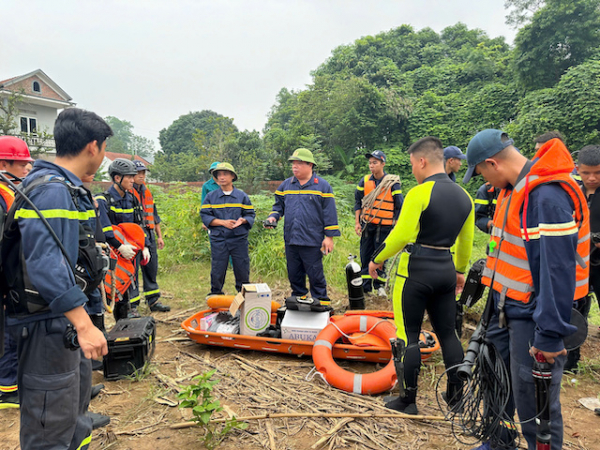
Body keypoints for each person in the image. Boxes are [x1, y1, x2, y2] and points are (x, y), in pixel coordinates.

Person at [462, 129, 589, 450]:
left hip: (533, 317)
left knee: (534, 400)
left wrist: (549, 336)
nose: (486, 182)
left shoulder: (546, 197)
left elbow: (557, 272)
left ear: (493, 163)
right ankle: (499, 441)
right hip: (505, 309)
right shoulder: (513, 191)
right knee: (496, 382)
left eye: (481, 173)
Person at [3, 108, 110, 449]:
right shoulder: (52, 191)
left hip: (59, 322)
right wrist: (83, 323)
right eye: (105, 148)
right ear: (93, 147)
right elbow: (46, 264)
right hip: (47, 324)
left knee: (72, 409)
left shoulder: (63, 187)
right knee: (50, 422)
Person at [368, 137, 474, 414]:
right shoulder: (466, 198)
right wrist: (460, 271)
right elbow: (466, 242)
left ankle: (407, 400)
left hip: (415, 271)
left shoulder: (419, 192)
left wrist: (376, 259)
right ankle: (456, 397)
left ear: (422, 161)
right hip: (446, 269)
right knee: (448, 334)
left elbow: (400, 235)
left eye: (413, 164)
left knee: (408, 335)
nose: (413, 170)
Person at [265, 148, 340, 304]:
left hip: (312, 240)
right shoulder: (286, 185)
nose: (295, 167)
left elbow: (330, 213)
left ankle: (321, 303)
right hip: (291, 238)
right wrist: (273, 217)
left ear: (310, 165)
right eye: (293, 163)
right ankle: (299, 299)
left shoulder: (322, 187)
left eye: (299, 163)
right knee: (294, 274)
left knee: (315, 274)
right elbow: (278, 207)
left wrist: (329, 237)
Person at [0, 136, 33, 409]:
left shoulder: (13, 191)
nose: (26, 169)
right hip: (6, 276)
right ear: (3, 163)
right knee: (8, 335)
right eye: (20, 164)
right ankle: (7, 390)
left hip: (15, 273)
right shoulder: (2, 195)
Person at [96, 158, 150, 319]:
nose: (133, 180)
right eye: (130, 177)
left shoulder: (132, 199)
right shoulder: (103, 200)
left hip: (130, 253)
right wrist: (119, 247)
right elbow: (105, 229)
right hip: (112, 253)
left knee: (127, 286)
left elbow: (139, 225)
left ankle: (126, 319)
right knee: (111, 288)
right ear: (117, 178)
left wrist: (144, 245)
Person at [566, 144, 600, 371]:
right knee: (575, 311)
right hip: (578, 264)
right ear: (577, 169)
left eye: (597, 172)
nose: (592, 178)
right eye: (586, 172)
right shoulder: (572, 191)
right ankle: (570, 361)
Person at [201, 163, 255, 296]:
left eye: (225, 174)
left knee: (242, 267)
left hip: (239, 239)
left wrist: (243, 220)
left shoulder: (242, 196)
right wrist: (222, 222)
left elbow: (250, 214)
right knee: (218, 267)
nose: (221, 177)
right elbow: (205, 215)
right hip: (219, 239)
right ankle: (216, 293)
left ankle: (243, 295)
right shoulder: (211, 197)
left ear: (232, 176)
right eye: (219, 174)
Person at [354, 150, 403, 297]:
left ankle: (380, 286)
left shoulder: (392, 183)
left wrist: (396, 224)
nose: (371, 165)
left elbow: (399, 205)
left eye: (375, 162)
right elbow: (358, 202)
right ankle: (366, 287)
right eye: (370, 163)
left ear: (383, 164)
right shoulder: (364, 181)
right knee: (365, 255)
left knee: (381, 256)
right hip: (367, 224)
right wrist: (357, 222)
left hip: (385, 226)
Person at [131, 160, 170, 312]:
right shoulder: (127, 193)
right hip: (133, 235)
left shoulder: (146, 192)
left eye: (143, 173)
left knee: (151, 268)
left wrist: (159, 237)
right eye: (138, 173)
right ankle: (132, 305)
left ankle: (153, 301)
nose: (141, 176)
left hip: (149, 234)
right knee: (132, 271)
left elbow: (154, 216)